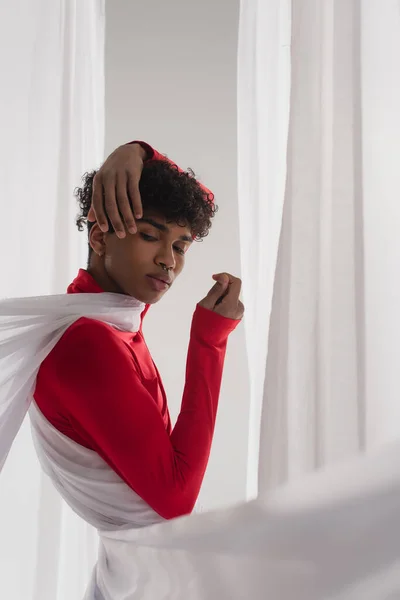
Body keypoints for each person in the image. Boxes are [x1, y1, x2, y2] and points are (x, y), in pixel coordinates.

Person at [33, 140, 244, 524]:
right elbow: (176, 501)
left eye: (180, 246)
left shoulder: (113, 319)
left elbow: (204, 201)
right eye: (149, 236)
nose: (168, 260)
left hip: (145, 571)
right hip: (147, 576)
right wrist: (209, 343)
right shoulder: (89, 342)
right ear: (99, 238)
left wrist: (138, 152)